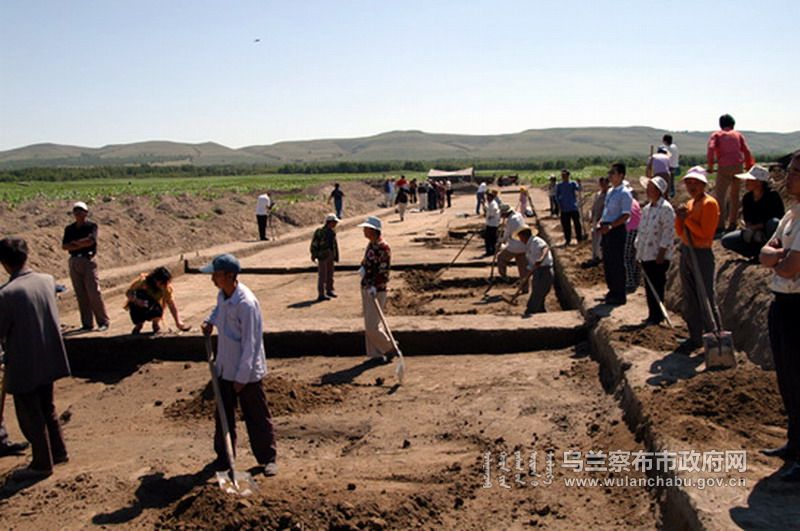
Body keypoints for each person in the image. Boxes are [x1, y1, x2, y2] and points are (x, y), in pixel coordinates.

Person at [200, 254, 277, 477]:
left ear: (230, 276)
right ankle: (224, 458)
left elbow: (251, 344)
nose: (213, 279)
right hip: (225, 367)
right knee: (223, 415)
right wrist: (210, 321)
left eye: (216, 275)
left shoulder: (246, 304)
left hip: (247, 373)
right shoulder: (223, 295)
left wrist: (242, 378)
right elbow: (218, 310)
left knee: (256, 415)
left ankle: (267, 459)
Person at [0, 237, 70, 481]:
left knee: (31, 414)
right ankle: (58, 452)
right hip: (49, 355)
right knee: (47, 407)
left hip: (24, 361)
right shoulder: (46, 281)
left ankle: (42, 463)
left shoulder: (7, 294)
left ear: (4, 263)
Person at [759, 151, 800, 482]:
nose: (790, 177)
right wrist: (778, 255)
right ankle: (794, 443)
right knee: (787, 377)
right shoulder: (790, 215)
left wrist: (779, 257)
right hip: (782, 301)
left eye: (797, 172)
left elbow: (788, 267)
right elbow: (765, 253)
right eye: (791, 171)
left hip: (797, 304)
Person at [675, 166, 722, 352]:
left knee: (706, 297)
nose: (692, 186)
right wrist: (680, 218)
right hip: (687, 250)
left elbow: (705, 232)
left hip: (701, 253)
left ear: (703, 184)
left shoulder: (709, 204)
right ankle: (695, 337)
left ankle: (716, 338)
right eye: (689, 182)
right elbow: (680, 231)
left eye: (695, 183)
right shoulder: (690, 203)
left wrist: (686, 220)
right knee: (690, 297)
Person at [62, 201, 110, 331]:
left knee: (93, 292)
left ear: (86, 213)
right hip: (74, 260)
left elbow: (90, 241)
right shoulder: (69, 229)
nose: (78, 213)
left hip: (88, 260)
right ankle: (87, 324)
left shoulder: (91, 226)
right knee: (81, 294)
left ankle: (103, 321)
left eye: (80, 210)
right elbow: (64, 246)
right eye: (76, 211)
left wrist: (75, 244)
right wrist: (80, 244)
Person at [721, 165, 784, 260]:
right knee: (727, 240)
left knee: (774, 223)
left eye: (749, 180)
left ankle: (772, 252)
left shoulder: (772, 196)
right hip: (753, 231)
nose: (746, 183)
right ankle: (756, 254)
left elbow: (778, 218)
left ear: (758, 182)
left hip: (767, 230)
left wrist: (757, 227)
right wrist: (750, 229)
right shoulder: (747, 198)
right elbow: (747, 219)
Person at [635, 176, 675, 325]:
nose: (647, 191)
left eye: (651, 189)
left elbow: (668, 232)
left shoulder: (665, 209)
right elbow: (642, 231)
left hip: (658, 256)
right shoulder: (646, 209)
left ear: (659, 191)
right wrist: (638, 249)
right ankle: (652, 314)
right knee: (649, 286)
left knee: (657, 286)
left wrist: (661, 253)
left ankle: (657, 316)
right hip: (646, 254)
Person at [357, 217, 396, 363]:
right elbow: (367, 261)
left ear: (373, 230)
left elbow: (383, 269)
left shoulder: (383, 247)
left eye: (366, 228)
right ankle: (374, 354)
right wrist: (362, 268)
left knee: (372, 326)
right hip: (366, 286)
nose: (364, 231)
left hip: (376, 289)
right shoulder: (371, 245)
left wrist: (375, 284)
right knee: (369, 322)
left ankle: (389, 348)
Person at [707, 114, 755, 232]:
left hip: (723, 167)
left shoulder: (716, 135)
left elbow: (711, 148)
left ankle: (720, 225)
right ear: (733, 124)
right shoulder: (738, 135)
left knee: (720, 197)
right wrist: (749, 165)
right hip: (738, 166)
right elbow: (746, 151)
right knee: (735, 196)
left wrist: (711, 166)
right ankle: (733, 223)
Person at [598, 163, 633, 305]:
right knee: (608, 262)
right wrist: (601, 222)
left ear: (621, 175)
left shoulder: (625, 193)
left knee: (616, 263)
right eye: (609, 173)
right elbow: (607, 211)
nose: (610, 176)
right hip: (607, 229)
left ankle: (619, 294)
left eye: (613, 173)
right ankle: (612, 290)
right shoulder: (612, 191)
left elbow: (626, 215)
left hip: (616, 230)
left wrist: (611, 226)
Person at [125, 267, 191, 334]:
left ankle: (155, 324)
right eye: (162, 283)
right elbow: (128, 293)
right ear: (155, 279)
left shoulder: (166, 288)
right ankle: (139, 325)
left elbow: (171, 304)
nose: (163, 285)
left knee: (158, 308)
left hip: (153, 306)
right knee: (139, 298)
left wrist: (178, 322)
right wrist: (137, 300)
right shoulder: (143, 282)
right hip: (138, 305)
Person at [514, 226, 553, 315]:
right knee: (537, 291)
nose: (520, 240)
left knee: (539, 292)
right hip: (537, 271)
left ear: (525, 236)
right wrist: (525, 277)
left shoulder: (536, 241)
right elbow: (532, 263)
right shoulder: (529, 246)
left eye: (520, 238)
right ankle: (541, 311)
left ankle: (530, 310)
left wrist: (541, 258)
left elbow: (545, 248)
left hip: (545, 270)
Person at [497, 204, 529, 289]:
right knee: (523, 269)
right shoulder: (519, 215)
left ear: (505, 214)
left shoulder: (511, 220)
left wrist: (500, 242)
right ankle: (525, 288)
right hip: (524, 245)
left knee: (501, 258)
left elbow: (506, 235)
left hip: (515, 246)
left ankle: (504, 276)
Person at [310, 214, 340, 301]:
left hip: (330, 254)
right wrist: (314, 254)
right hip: (322, 255)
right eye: (334, 222)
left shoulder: (332, 232)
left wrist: (336, 256)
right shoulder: (320, 232)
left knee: (330, 274)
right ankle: (321, 294)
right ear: (329, 222)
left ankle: (329, 290)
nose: (335, 224)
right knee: (322, 275)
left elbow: (334, 245)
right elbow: (314, 244)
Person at [555, 169, 584, 245]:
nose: (563, 177)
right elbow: (557, 196)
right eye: (562, 176)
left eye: (565, 175)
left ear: (568, 175)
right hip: (564, 208)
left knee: (577, 224)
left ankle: (579, 238)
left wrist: (579, 183)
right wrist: (559, 204)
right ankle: (568, 239)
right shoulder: (559, 185)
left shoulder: (572, 184)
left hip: (573, 207)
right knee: (566, 225)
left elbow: (579, 189)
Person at [586, 176, 610, 267]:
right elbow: (594, 207)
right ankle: (595, 256)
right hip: (596, 219)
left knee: (601, 241)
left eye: (604, 184)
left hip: (604, 221)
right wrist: (591, 216)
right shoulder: (598, 194)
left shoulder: (609, 195)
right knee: (595, 239)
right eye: (601, 184)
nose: (602, 185)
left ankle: (600, 257)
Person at [624, 188, 642, 293]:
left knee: (626, 256)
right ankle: (636, 280)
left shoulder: (627, 203)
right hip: (637, 230)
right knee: (634, 256)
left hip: (629, 230)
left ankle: (630, 282)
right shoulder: (635, 202)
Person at [484, 189, 501, 257]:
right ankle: (492, 251)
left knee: (489, 238)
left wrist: (490, 216)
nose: (487, 198)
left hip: (492, 224)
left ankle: (491, 251)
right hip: (490, 223)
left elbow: (494, 211)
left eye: (488, 197)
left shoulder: (493, 204)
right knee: (491, 238)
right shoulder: (490, 203)